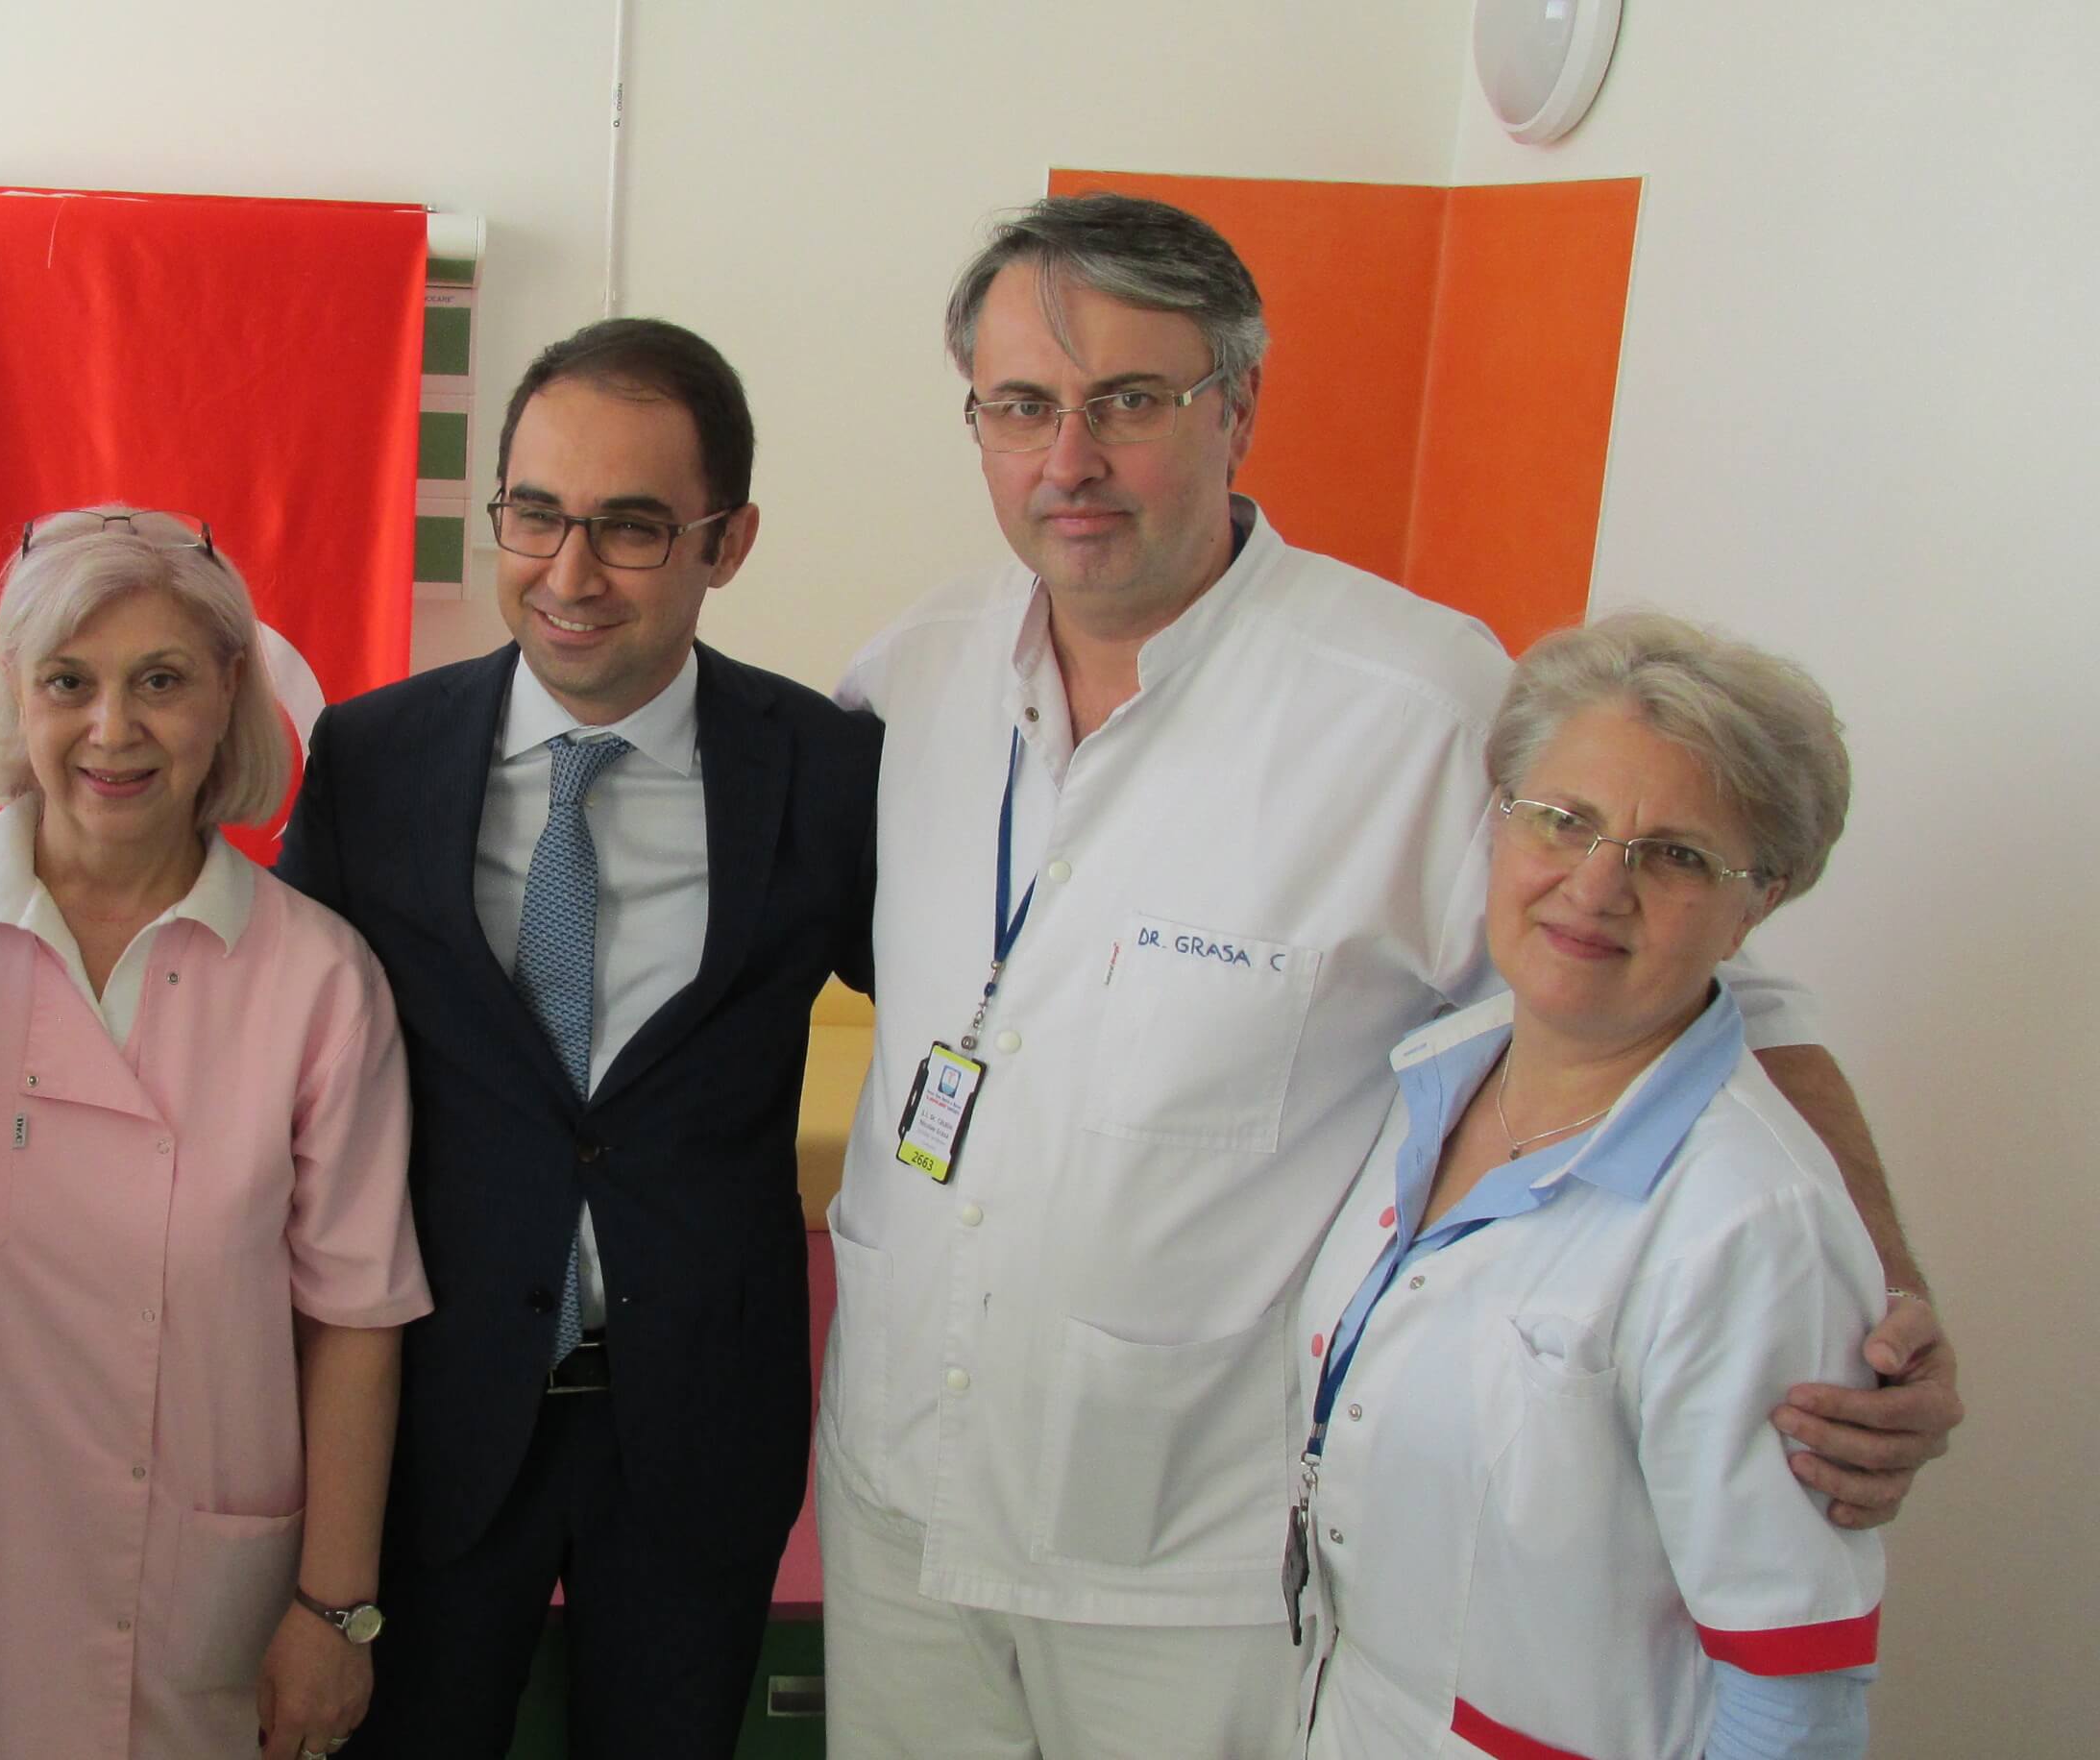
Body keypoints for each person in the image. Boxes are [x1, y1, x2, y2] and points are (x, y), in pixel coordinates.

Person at [816, 193, 1959, 1756]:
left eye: (1127, 401)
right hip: (897, 1497)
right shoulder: (915, 669)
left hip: (1189, 1569)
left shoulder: (1416, 703)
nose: (1065, 459)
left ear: (1236, 407)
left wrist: (1884, 1295)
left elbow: (1707, 994)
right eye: (1019, 405)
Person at [281, 319, 883, 1758]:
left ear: (728, 543)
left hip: (700, 1422)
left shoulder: (826, 772)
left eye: (630, 527)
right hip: (430, 1417)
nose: (568, 573)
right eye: (536, 514)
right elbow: (283, 1062)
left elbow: (967, 1019)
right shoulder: (372, 760)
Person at [0, 506, 427, 1760]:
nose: (113, 729)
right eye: (69, 681)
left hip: (201, 1606)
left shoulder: (317, 977)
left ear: (229, 696)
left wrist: (335, 1609)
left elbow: (356, 1321)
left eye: (161, 680)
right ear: (16, 697)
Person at [1293, 613, 1882, 1758]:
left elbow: (1793, 1693)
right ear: (1501, 821)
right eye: (1564, 820)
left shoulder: (1752, 1226)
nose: (1597, 884)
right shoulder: (1431, 1083)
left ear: (1758, 902)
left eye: (1677, 855)